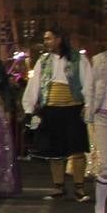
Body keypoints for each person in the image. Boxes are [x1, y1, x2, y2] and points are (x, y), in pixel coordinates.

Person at [23, 27, 93, 202]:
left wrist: (89, 104)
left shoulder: (79, 59)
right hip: (51, 108)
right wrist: (29, 109)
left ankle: (79, 188)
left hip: (73, 108)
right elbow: (34, 85)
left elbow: (88, 83)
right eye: (45, 39)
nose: (46, 42)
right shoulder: (43, 61)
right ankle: (58, 187)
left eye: (49, 38)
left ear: (59, 39)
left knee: (77, 149)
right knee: (55, 151)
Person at [85, 24, 107, 213]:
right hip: (104, 117)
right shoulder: (99, 60)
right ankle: (100, 210)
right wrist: (89, 116)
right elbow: (91, 89)